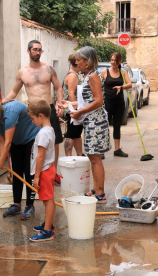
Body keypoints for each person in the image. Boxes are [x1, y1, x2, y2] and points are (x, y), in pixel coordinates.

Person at [2, 40, 64, 185]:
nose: (38, 52)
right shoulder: (22, 72)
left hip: (48, 109)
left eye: (40, 50)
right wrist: (2, 104)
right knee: (34, 143)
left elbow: (58, 88)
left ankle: (53, 172)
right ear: (28, 51)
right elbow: (14, 92)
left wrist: (59, 104)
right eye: (35, 49)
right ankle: (35, 173)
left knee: (53, 142)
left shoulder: (49, 69)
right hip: (33, 112)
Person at [60, 47, 111, 202]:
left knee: (95, 159)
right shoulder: (89, 74)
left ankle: (100, 192)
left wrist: (80, 112)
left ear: (87, 61)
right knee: (92, 157)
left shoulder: (93, 76)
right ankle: (95, 189)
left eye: (79, 60)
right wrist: (71, 103)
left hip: (95, 121)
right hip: (91, 121)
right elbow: (88, 100)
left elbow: (98, 101)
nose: (76, 62)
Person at [0, 95, 40, 220]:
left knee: (29, 172)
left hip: (31, 138)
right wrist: (1, 161)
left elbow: (7, 142)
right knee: (16, 172)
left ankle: (30, 206)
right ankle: (16, 205)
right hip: (17, 142)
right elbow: (1, 140)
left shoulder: (10, 112)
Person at [26, 100, 56, 242]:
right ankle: (48, 224)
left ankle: (47, 231)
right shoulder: (49, 130)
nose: (32, 122)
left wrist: (36, 176)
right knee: (47, 199)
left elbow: (40, 157)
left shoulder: (43, 133)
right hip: (47, 169)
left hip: (44, 170)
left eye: (33, 118)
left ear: (41, 116)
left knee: (48, 200)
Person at [100, 52, 132, 157]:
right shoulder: (104, 72)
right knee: (105, 126)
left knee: (117, 125)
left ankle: (117, 149)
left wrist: (121, 87)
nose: (113, 62)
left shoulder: (123, 72)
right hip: (108, 103)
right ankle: (102, 151)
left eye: (115, 60)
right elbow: (97, 85)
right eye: (112, 60)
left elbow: (129, 84)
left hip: (119, 103)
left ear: (119, 62)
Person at [63, 54, 84, 156]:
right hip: (72, 109)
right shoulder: (72, 75)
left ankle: (80, 154)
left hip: (75, 107)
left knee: (77, 133)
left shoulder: (76, 74)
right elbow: (71, 93)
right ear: (76, 62)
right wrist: (75, 110)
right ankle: (68, 156)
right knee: (71, 133)